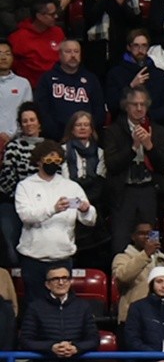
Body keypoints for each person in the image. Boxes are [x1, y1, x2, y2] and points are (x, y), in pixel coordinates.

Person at [15, 140, 97, 289]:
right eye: (49, 159)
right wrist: (53, 209)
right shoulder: (25, 186)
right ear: (39, 161)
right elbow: (26, 216)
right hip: (33, 259)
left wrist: (86, 210)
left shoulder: (71, 186)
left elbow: (90, 220)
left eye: (57, 160)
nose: (53, 163)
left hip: (62, 258)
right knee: (35, 305)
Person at [104, 86, 164, 254]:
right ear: (126, 106)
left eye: (143, 104)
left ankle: (154, 271)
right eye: (134, 104)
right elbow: (112, 165)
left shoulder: (158, 130)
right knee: (120, 240)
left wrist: (149, 146)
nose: (139, 108)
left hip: (149, 191)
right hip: (124, 192)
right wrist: (133, 147)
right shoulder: (113, 131)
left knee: (152, 237)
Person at [59, 110, 107, 264]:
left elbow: (100, 183)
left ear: (92, 129)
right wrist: (77, 203)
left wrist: (85, 204)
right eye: (78, 125)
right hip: (68, 205)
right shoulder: (62, 151)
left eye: (86, 125)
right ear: (72, 129)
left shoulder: (101, 153)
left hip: (93, 203)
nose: (82, 128)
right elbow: (65, 183)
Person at [33, 39, 106, 142]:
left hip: (86, 138)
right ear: (59, 55)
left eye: (76, 52)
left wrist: (87, 130)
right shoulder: (47, 79)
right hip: (55, 139)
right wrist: (57, 133)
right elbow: (42, 109)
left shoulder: (91, 79)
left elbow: (99, 110)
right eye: (68, 52)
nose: (73, 55)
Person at [81, 0, 142, 76]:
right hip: (98, 47)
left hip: (120, 42)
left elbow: (135, 20)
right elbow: (90, 17)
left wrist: (123, 3)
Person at [0, 102, 44, 264]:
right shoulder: (13, 147)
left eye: (32, 120)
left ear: (39, 122)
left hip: (42, 202)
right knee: (10, 243)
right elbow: (6, 181)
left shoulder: (49, 147)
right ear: (20, 125)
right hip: (13, 202)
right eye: (25, 121)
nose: (29, 124)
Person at [106, 30, 164, 125]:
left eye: (144, 45)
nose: (140, 49)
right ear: (128, 47)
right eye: (136, 45)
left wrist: (145, 116)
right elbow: (112, 106)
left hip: (155, 127)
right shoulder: (115, 73)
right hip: (124, 128)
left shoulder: (159, 75)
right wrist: (131, 87)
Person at [113, 220, 164, 324]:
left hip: (159, 315)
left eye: (150, 234)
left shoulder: (161, 258)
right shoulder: (122, 257)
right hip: (132, 317)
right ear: (133, 237)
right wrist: (145, 254)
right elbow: (122, 277)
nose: (146, 237)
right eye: (142, 233)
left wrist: (161, 258)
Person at [7, 0, 65, 87]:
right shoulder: (18, 37)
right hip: (30, 87)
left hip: (58, 85)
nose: (56, 16)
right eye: (52, 14)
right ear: (39, 16)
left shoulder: (58, 32)